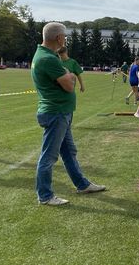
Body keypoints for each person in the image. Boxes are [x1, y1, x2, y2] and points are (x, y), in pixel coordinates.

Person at [31, 22, 105, 206]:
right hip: (56, 113)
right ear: (58, 38)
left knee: (69, 152)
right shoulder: (48, 58)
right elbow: (69, 84)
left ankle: (83, 185)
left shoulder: (47, 56)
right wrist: (70, 75)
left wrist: (67, 74)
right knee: (49, 156)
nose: (65, 39)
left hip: (60, 112)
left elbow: (67, 78)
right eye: (64, 36)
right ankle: (45, 196)